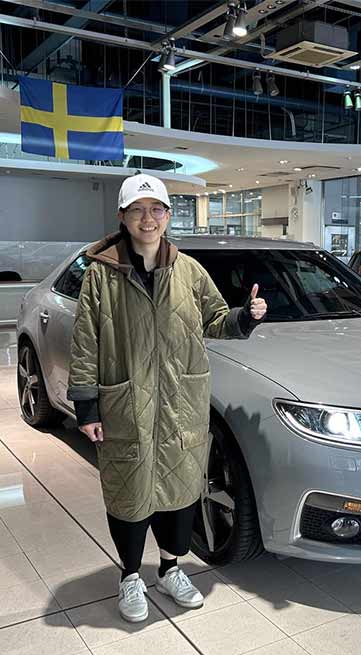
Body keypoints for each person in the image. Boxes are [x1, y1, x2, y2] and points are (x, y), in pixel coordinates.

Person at [67, 174, 267, 623]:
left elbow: (216, 319)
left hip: (181, 401)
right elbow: (85, 342)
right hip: (127, 401)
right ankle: (130, 577)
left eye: (156, 209)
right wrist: (87, 406)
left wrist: (244, 317)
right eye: (138, 210)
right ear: (122, 217)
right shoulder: (101, 274)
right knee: (129, 491)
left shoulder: (189, 270)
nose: (148, 218)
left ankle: (172, 569)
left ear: (168, 216)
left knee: (179, 489)